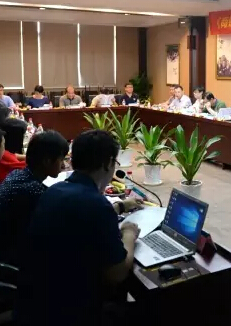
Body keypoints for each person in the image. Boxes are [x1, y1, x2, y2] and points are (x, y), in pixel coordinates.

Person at [15, 130, 143, 326]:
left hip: (36, 301)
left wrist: (119, 206)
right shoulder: (96, 205)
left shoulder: (54, 190)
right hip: (69, 311)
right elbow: (116, 274)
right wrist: (129, 234)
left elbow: (82, 215)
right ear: (109, 163)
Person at [0, 131, 69, 264]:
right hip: (6, 259)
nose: (64, 165)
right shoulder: (32, 190)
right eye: (61, 160)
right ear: (47, 161)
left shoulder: (18, 174)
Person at [0, 118, 27, 183]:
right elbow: (32, 165)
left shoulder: (2, 150)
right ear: (16, 138)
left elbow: (14, 155)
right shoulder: (4, 155)